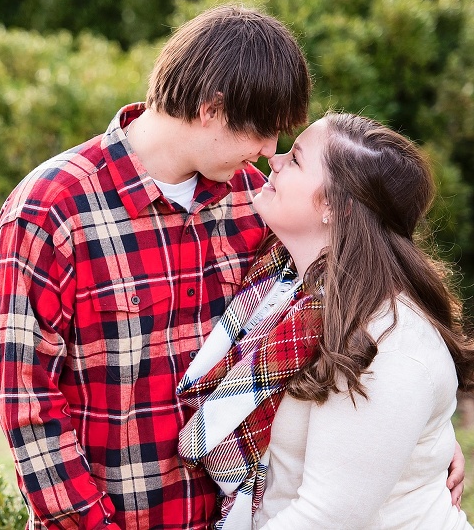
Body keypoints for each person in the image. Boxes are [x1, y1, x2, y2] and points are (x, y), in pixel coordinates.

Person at [0, 5, 311, 528]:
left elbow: (344, 296)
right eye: (263, 130)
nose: (271, 150)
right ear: (211, 108)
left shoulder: (257, 201)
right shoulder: (51, 210)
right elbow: (28, 404)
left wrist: (427, 444)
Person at [177, 112, 474, 529]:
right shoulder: (283, 290)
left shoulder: (390, 342)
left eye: (296, 159)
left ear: (335, 206)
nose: (274, 159)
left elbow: (327, 516)